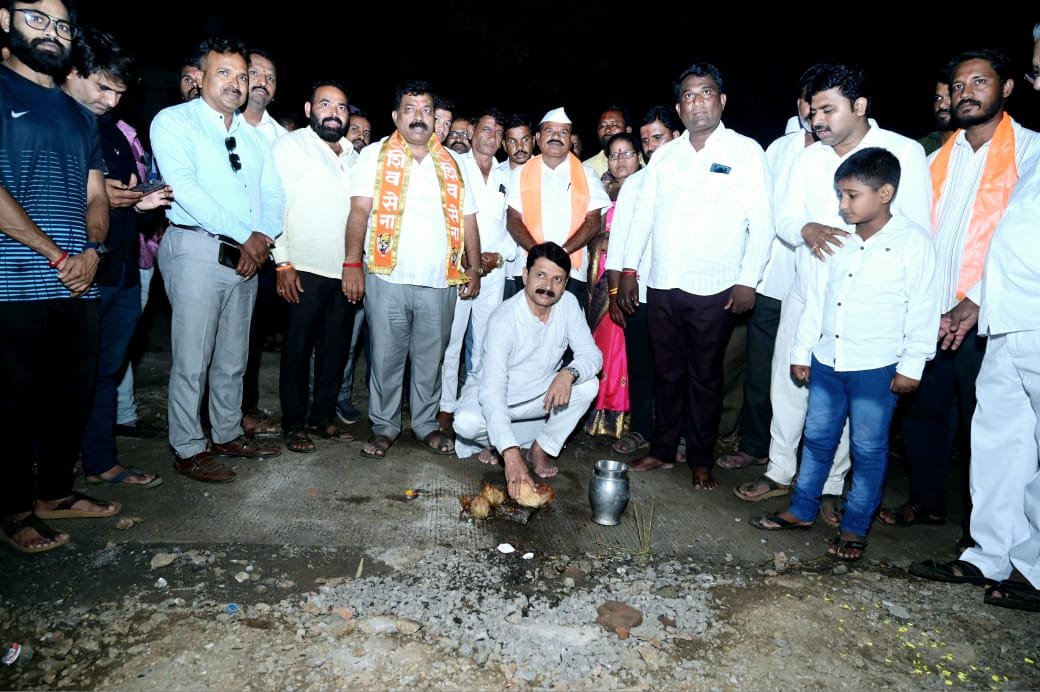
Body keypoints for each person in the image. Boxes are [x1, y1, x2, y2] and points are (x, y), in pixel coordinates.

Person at [746, 63, 932, 522]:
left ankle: (829, 485)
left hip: (869, 307)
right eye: (813, 111)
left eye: (828, 110)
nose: (817, 120)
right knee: (789, 382)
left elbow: (918, 232)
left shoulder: (903, 153)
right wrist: (806, 228)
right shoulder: (809, 157)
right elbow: (784, 218)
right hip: (808, 288)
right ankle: (779, 469)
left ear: (860, 106)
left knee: (850, 401)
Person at [880, 50, 1040, 546]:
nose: (965, 93)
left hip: (990, 314)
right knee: (924, 413)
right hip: (933, 309)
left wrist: (975, 298)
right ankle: (926, 502)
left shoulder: (1030, 153)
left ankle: (983, 531)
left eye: (979, 82)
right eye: (957, 85)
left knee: (987, 428)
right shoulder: (934, 159)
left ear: (1007, 88)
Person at [0, 0, 118, 553]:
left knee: (70, 395)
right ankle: (14, 510)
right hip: (13, 280)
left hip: (78, 281)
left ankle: (54, 492)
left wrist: (92, 250)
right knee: (12, 403)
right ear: (6, 22)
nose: (52, 32)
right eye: (37, 18)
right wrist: (55, 254)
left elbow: (97, 194)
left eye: (63, 25)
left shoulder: (79, 114)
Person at [622, 63, 773, 491]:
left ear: (721, 100)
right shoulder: (665, 156)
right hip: (662, 282)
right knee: (666, 373)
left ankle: (701, 459)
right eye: (688, 95)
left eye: (706, 93)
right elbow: (643, 216)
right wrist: (630, 270)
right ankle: (663, 449)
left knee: (705, 377)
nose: (697, 102)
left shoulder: (745, 151)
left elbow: (762, 222)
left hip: (716, 287)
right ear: (679, 107)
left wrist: (748, 280)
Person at [151, 36, 285, 484]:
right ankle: (188, 446)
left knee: (233, 357)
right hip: (197, 249)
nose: (235, 83)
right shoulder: (174, 122)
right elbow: (186, 189)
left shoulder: (254, 138)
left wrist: (261, 238)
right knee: (193, 358)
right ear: (200, 77)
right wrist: (246, 237)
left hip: (247, 256)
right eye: (224, 73)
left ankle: (227, 433)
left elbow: (273, 193)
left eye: (242, 76)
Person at [341, 80, 482, 459]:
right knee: (385, 358)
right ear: (395, 116)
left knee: (430, 360)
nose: (419, 117)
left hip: (440, 281)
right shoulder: (375, 155)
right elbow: (359, 211)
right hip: (387, 277)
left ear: (435, 118)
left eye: (426, 110)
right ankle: (384, 427)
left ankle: (424, 425)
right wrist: (352, 263)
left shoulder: (453, 163)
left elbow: (468, 217)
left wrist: (474, 267)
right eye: (410, 109)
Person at [62, 26, 172, 488]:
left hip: (120, 266)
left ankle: (101, 461)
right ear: (73, 72)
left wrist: (140, 204)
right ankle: (52, 470)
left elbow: (118, 196)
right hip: (69, 269)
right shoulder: (52, 120)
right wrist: (96, 196)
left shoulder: (111, 131)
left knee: (105, 370)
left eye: (119, 93)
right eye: (103, 88)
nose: (111, 101)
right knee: (65, 374)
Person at [731, 65, 820, 497]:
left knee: (811, 376)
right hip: (771, 277)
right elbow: (759, 210)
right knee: (761, 368)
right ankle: (755, 445)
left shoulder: (846, 150)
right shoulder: (779, 149)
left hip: (817, 283)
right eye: (807, 102)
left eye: (822, 103)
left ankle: (810, 462)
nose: (813, 111)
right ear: (799, 105)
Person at [454, 242, 602, 500]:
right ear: (525, 276)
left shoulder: (568, 304)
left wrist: (568, 373)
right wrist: (511, 458)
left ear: (565, 284)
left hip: (541, 395)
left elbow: (593, 356)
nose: (548, 286)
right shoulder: (504, 319)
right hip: (497, 395)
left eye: (557, 279)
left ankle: (541, 447)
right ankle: (501, 444)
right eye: (541, 275)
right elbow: (492, 391)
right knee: (465, 423)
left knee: (589, 385)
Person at [271, 80, 357, 453]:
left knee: (335, 350)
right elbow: (276, 204)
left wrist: (358, 264)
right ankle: (293, 423)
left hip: (345, 271)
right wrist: (282, 261)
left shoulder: (354, 155)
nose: (334, 113)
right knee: (297, 351)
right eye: (325, 104)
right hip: (302, 267)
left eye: (341, 107)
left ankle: (322, 417)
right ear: (309, 110)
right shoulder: (291, 146)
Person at [606, 106, 681, 456]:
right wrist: (615, 292)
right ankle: (641, 429)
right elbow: (619, 242)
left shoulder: (689, 180)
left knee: (677, 366)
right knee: (640, 364)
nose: (651, 146)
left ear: (676, 137)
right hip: (638, 291)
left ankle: (677, 433)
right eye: (646, 140)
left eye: (658, 138)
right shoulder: (636, 184)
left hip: (680, 291)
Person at [437, 107, 512, 435]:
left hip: (493, 271)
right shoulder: (455, 165)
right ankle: (445, 406)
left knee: (485, 342)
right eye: (486, 129)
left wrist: (499, 257)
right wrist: (469, 260)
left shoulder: (506, 175)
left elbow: (512, 225)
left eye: (498, 133)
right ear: (471, 133)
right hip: (459, 269)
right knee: (451, 341)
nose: (492, 137)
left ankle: (475, 405)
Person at [506, 107, 611, 313]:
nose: (556, 136)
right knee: (527, 327)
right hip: (528, 266)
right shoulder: (521, 173)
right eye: (550, 131)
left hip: (572, 271)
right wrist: (538, 255)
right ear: (538, 137)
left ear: (571, 139)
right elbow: (513, 219)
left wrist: (561, 253)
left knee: (567, 328)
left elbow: (592, 222)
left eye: (563, 132)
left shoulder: (587, 174)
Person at [238, 47, 288, 439]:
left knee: (251, 337)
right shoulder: (222, 123)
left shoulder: (281, 139)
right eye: (255, 73)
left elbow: (282, 200)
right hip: (223, 244)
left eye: (270, 78)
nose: (263, 82)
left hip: (264, 252)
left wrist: (272, 250)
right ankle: (204, 418)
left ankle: (244, 409)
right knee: (210, 341)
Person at [584, 132, 641, 439]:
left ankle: (622, 416)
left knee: (623, 347)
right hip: (598, 277)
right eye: (614, 155)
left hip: (629, 279)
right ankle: (595, 411)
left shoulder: (646, 188)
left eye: (627, 153)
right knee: (601, 344)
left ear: (638, 157)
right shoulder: (599, 189)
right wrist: (600, 238)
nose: (620, 160)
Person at [337, 103, 374, 425]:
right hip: (336, 264)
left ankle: (343, 397)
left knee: (353, 340)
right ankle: (321, 399)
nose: (361, 137)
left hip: (368, 266)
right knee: (333, 339)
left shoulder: (374, 167)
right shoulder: (338, 166)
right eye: (355, 130)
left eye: (367, 133)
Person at [498, 112, 534, 299]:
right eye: (512, 141)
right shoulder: (495, 173)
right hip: (499, 268)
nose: (520, 147)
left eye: (525, 140)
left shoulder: (545, 173)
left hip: (531, 265)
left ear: (534, 140)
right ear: (504, 145)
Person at [583, 105, 630, 178]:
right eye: (602, 126)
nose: (607, 130)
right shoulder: (586, 168)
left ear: (628, 130)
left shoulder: (644, 163)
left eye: (614, 125)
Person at [918, 72, 954, 155]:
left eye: (949, 97)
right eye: (938, 98)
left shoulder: (976, 145)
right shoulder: (922, 147)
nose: (941, 105)